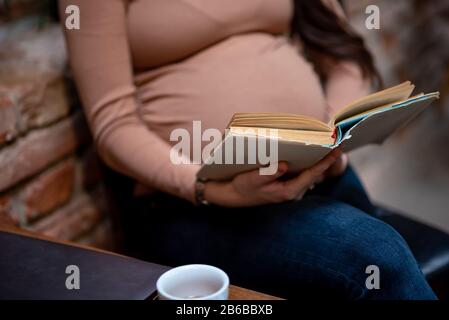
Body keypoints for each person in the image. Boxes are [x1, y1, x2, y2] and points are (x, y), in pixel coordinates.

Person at [60, 0, 436, 299]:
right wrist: (210, 188)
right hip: (192, 205)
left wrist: (331, 136)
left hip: (313, 172)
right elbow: (114, 125)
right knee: (377, 255)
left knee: (379, 275)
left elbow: (344, 59)